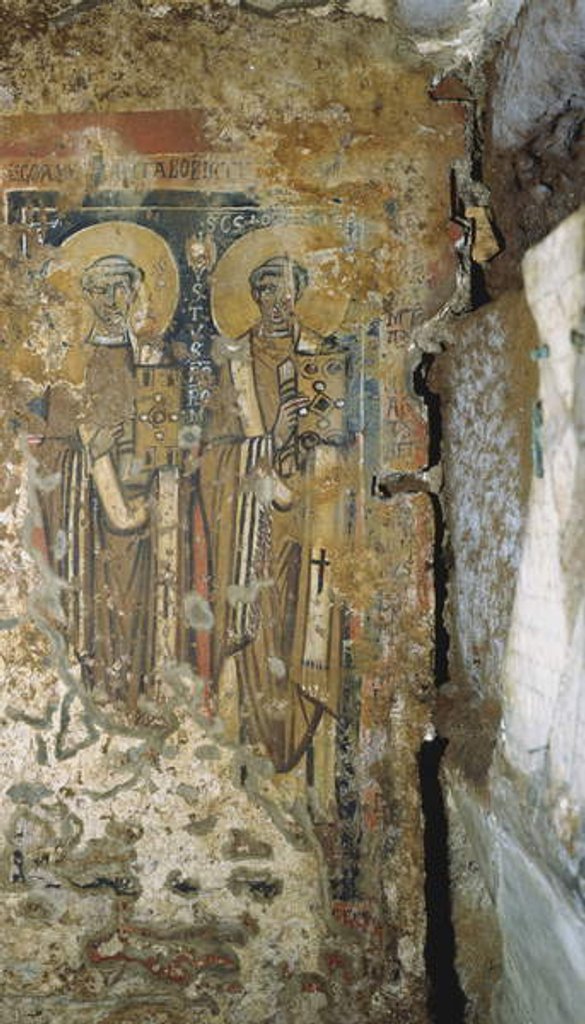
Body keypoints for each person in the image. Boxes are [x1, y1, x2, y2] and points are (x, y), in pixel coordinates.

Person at [202, 255, 352, 810]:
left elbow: (342, 444)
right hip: (251, 530)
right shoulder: (234, 362)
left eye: (287, 291)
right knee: (261, 634)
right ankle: (248, 785)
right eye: (267, 290)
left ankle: (309, 781)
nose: (277, 302)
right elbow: (213, 456)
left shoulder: (322, 355)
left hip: (310, 525)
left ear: (302, 295)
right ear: (256, 295)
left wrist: (312, 448)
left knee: (304, 633)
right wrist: (269, 441)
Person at [38, 251, 189, 710]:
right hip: (91, 526)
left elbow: (175, 442)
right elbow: (51, 454)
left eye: (120, 287)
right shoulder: (71, 369)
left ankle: (144, 697)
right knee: (101, 618)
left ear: (136, 290)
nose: (111, 299)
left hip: (146, 517)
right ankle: (100, 698)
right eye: (100, 289)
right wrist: (89, 451)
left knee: (145, 613)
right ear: (86, 295)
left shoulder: (156, 360)